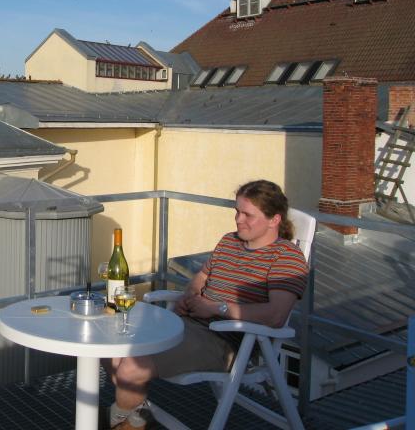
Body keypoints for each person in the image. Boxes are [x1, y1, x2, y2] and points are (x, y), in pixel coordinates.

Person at [102, 179, 309, 429]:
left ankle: (123, 420)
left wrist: (214, 308)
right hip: (187, 324)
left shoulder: (286, 258)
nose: (238, 219)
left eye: (248, 215)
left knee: (130, 369)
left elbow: (276, 316)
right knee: (108, 347)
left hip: (225, 340)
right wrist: (188, 296)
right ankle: (135, 415)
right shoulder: (229, 241)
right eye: (237, 211)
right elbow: (201, 277)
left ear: (274, 220)